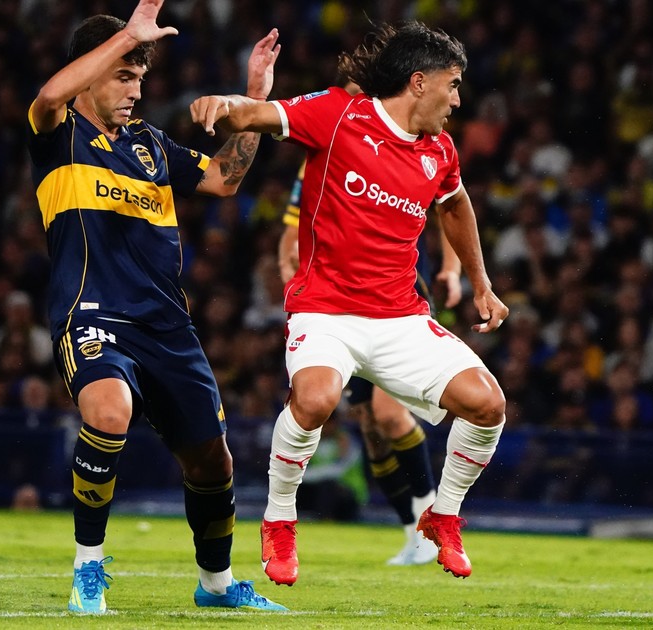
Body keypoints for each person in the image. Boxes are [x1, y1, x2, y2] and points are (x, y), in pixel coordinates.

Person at [192, 21, 509, 583]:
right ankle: (279, 519)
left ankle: (443, 515)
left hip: (400, 318)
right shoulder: (340, 114)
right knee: (315, 401)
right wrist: (229, 102)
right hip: (326, 312)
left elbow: (455, 206)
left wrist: (480, 282)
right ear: (419, 82)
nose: (458, 100)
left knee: (489, 406)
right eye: (454, 85)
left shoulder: (439, 150)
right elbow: (254, 117)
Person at [27, 0, 285, 614]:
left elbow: (224, 178)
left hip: (168, 326)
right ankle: (87, 568)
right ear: (92, 69)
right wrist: (125, 37)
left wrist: (254, 98)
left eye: (141, 77)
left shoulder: (149, 144)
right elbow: (46, 97)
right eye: (124, 75)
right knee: (109, 411)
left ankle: (216, 585)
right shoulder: (60, 133)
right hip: (92, 313)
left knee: (212, 460)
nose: (136, 91)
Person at [278, 90, 463, 563]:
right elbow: (291, 231)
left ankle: (429, 522)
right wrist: (293, 277)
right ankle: (412, 534)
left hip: (394, 298)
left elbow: (450, 204)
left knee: (388, 413)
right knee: (371, 425)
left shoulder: (417, 144)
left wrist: (453, 267)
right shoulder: (325, 149)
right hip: (335, 306)